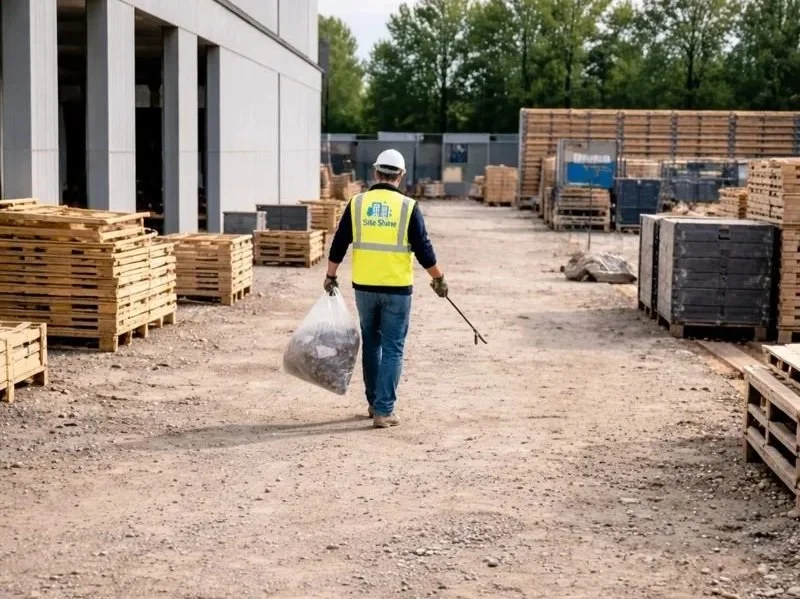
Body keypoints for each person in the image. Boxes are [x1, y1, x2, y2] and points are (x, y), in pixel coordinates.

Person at [324, 149, 448, 429]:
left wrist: (331, 276)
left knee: (372, 344)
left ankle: (373, 403)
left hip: (364, 288)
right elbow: (424, 249)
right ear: (401, 176)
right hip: (397, 289)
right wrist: (438, 278)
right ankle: (384, 410)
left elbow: (339, 243)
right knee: (393, 347)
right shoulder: (408, 206)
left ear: (376, 172)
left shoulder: (357, 204)